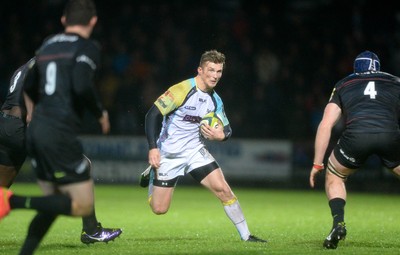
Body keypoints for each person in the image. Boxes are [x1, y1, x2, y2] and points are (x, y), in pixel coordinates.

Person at [0, 0, 122, 253]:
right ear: (92, 21)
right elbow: (72, 86)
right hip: (28, 127)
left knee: (3, 190)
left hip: (5, 125)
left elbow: (27, 87)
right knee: (77, 176)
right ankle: (91, 230)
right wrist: (98, 113)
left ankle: (86, 230)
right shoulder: (70, 53)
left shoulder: (32, 61)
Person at [140, 49, 266, 243]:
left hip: (195, 152)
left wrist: (220, 135)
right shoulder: (182, 89)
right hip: (169, 154)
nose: (215, 75)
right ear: (200, 70)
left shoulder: (215, 100)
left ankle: (246, 236)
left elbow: (227, 129)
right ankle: (152, 177)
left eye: (219, 71)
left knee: (223, 190)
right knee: (159, 209)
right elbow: (152, 115)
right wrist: (152, 147)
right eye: (211, 70)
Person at [309, 50, 400, 249]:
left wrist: (317, 162)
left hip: (357, 137)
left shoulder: (344, 84)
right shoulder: (395, 81)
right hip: (390, 135)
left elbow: (325, 125)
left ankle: (338, 224)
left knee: (335, 176)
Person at [0, 59, 35, 188]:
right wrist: (31, 115)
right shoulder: (43, 66)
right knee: (81, 164)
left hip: (4, 122)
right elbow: (29, 86)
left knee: (1, 189)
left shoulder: (21, 68)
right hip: (19, 126)